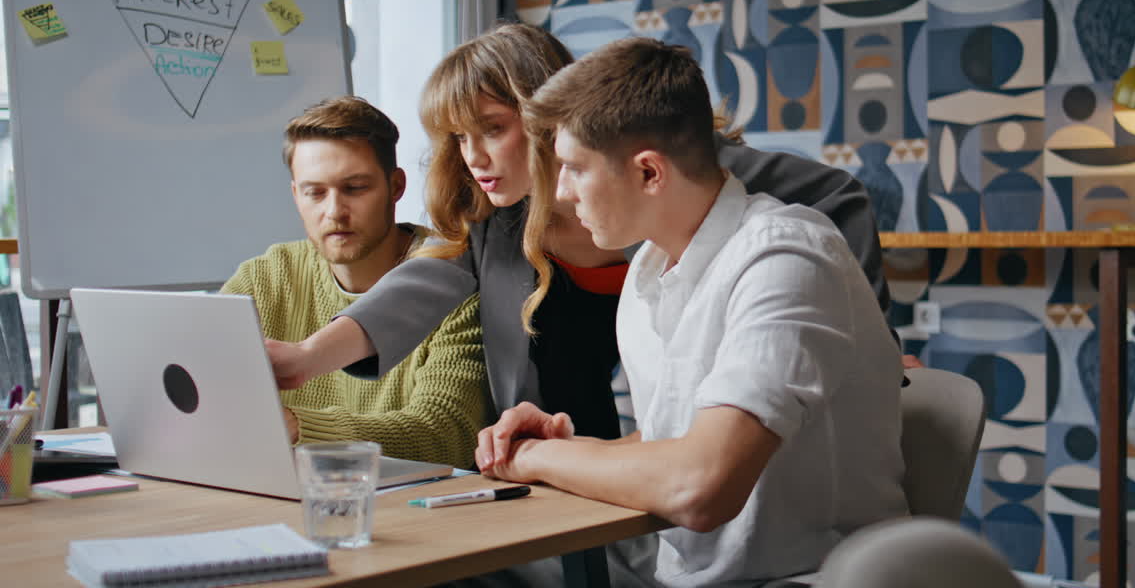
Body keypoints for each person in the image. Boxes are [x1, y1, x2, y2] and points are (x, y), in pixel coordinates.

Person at [266, 23, 902, 439]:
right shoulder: (498, 219)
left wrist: (871, 339)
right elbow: (424, 284)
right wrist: (304, 359)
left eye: (491, 127)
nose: (473, 156)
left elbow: (835, 193)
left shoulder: (680, 174)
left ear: (547, 112)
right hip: (579, 417)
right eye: (458, 137)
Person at [475, 37, 908, 586]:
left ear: (649, 173)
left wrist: (533, 460)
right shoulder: (647, 274)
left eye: (575, 169)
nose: (560, 194)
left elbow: (699, 487)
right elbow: (677, 442)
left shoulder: (787, 258)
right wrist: (569, 448)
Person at [222, 96, 488, 467]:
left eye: (355, 188)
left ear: (396, 187)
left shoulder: (454, 282)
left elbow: (447, 434)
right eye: (315, 192)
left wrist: (299, 428)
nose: (334, 212)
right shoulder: (264, 279)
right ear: (296, 195)